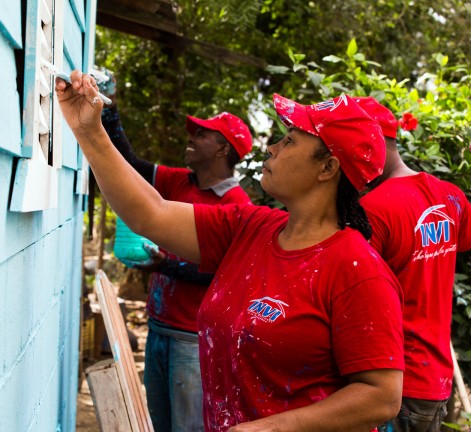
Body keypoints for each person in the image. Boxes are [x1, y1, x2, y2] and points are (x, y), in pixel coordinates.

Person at [56, 72, 404, 431]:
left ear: (328, 168)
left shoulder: (358, 271)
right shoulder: (250, 227)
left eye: (289, 141)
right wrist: (88, 131)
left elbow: (382, 395)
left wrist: (269, 428)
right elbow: (151, 214)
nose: (272, 148)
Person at [100, 73, 253, 432]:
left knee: (188, 427)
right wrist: (110, 110)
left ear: (223, 149)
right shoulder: (177, 181)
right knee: (163, 424)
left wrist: (164, 264)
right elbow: (130, 166)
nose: (192, 137)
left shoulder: (236, 204)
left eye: (202, 134)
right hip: (159, 328)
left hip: (193, 339)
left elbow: (220, 272)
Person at [356, 97, 471, 432]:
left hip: (390, 382)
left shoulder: (371, 210)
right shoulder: (447, 194)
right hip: (433, 379)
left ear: (371, 142)